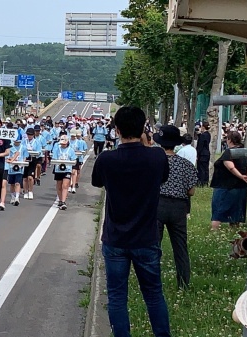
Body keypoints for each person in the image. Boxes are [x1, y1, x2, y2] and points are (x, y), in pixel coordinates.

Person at [91, 106, 171, 337]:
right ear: (144, 128)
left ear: (116, 130)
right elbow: (163, 177)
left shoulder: (107, 159)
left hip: (115, 237)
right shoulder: (156, 156)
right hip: (146, 237)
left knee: (116, 296)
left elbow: (97, 183)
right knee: (154, 295)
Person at [154, 126, 198, 289]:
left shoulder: (154, 161)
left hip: (158, 204)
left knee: (154, 246)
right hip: (179, 207)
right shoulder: (186, 164)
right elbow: (191, 191)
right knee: (180, 246)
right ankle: (183, 283)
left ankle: (153, 282)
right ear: (175, 144)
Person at [210, 131, 247, 230]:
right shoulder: (244, 151)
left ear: (229, 140)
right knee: (236, 212)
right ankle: (234, 231)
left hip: (225, 186)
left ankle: (214, 230)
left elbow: (230, 167)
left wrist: (241, 176)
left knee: (219, 211)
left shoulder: (229, 152)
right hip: (240, 187)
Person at [51, 135, 76, 210]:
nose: (63, 145)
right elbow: (54, 158)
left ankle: (63, 201)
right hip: (58, 169)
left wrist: (73, 168)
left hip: (67, 169)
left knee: (65, 185)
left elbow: (74, 160)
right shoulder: (57, 149)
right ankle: (60, 199)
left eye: (64, 144)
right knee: (59, 186)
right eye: (62, 144)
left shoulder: (70, 150)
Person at [6, 137, 28, 206]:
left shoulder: (23, 147)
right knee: (12, 184)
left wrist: (22, 163)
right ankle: (12, 197)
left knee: (17, 183)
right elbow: (7, 156)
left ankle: (17, 197)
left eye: (18, 141)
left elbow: (25, 157)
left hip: (19, 168)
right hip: (11, 168)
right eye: (16, 141)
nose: (17, 143)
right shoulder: (10, 147)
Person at [196, 121, 211, 186]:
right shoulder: (208, 134)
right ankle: (205, 181)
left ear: (203, 127)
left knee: (201, 168)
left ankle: (201, 182)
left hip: (202, 154)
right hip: (207, 153)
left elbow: (200, 146)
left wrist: (197, 154)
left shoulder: (203, 135)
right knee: (206, 168)